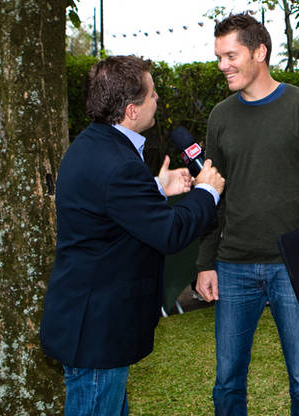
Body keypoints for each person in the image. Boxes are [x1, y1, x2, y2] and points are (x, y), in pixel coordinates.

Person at [39, 56, 225, 416]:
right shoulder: (118, 163)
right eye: (152, 94)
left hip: (90, 324)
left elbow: (109, 210)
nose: (157, 99)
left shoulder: (94, 145)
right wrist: (207, 192)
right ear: (131, 110)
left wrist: (156, 186)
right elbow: (170, 234)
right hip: (97, 332)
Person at [194, 13, 299, 416]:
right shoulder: (221, 117)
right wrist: (206, 262)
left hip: (291, 267)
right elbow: (213, 196)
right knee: (227, 381)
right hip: (233, 266)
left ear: (260, 52)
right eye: (218, 57)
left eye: (231, 55)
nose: (222, 65)